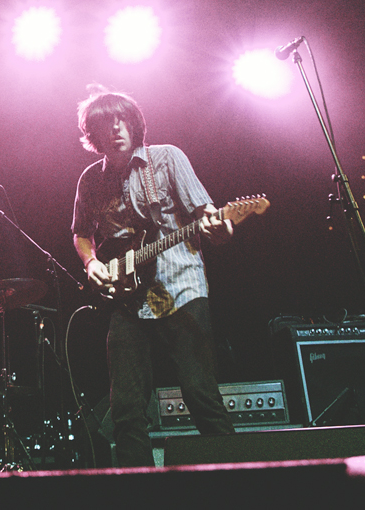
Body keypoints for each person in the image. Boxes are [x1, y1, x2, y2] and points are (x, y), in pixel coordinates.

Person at [71, 84, 234, 467]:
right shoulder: (90, 181)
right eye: (106, 124)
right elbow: (80, 233)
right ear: (93, 135)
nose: (116, 129)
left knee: (200, 394)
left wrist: (221, 228)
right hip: (128, 299)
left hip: (181, 289)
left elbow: (208, 216)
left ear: (134, 124)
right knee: (125, 409)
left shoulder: (167, 158)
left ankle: (236, 482)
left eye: (123, 120)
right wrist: (92, 264)